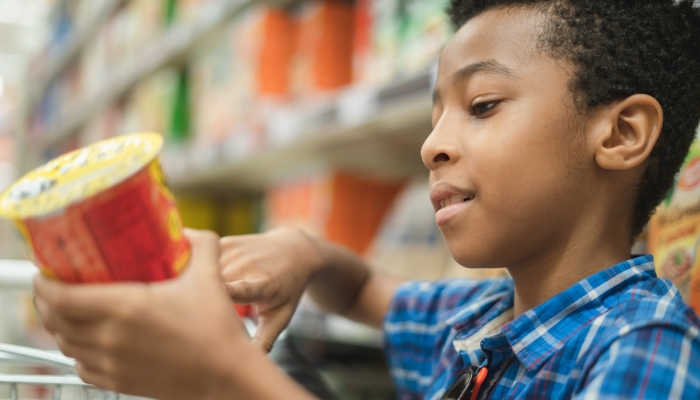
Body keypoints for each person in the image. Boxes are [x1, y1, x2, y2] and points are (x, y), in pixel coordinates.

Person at [33, 0, 700, 399]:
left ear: (620, 133)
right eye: (436, 117)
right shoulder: (485, 313)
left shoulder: (642, 347)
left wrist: (225, 373)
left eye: (483, 106)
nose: (432, 145)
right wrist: (307, 253)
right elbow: (362, 292)